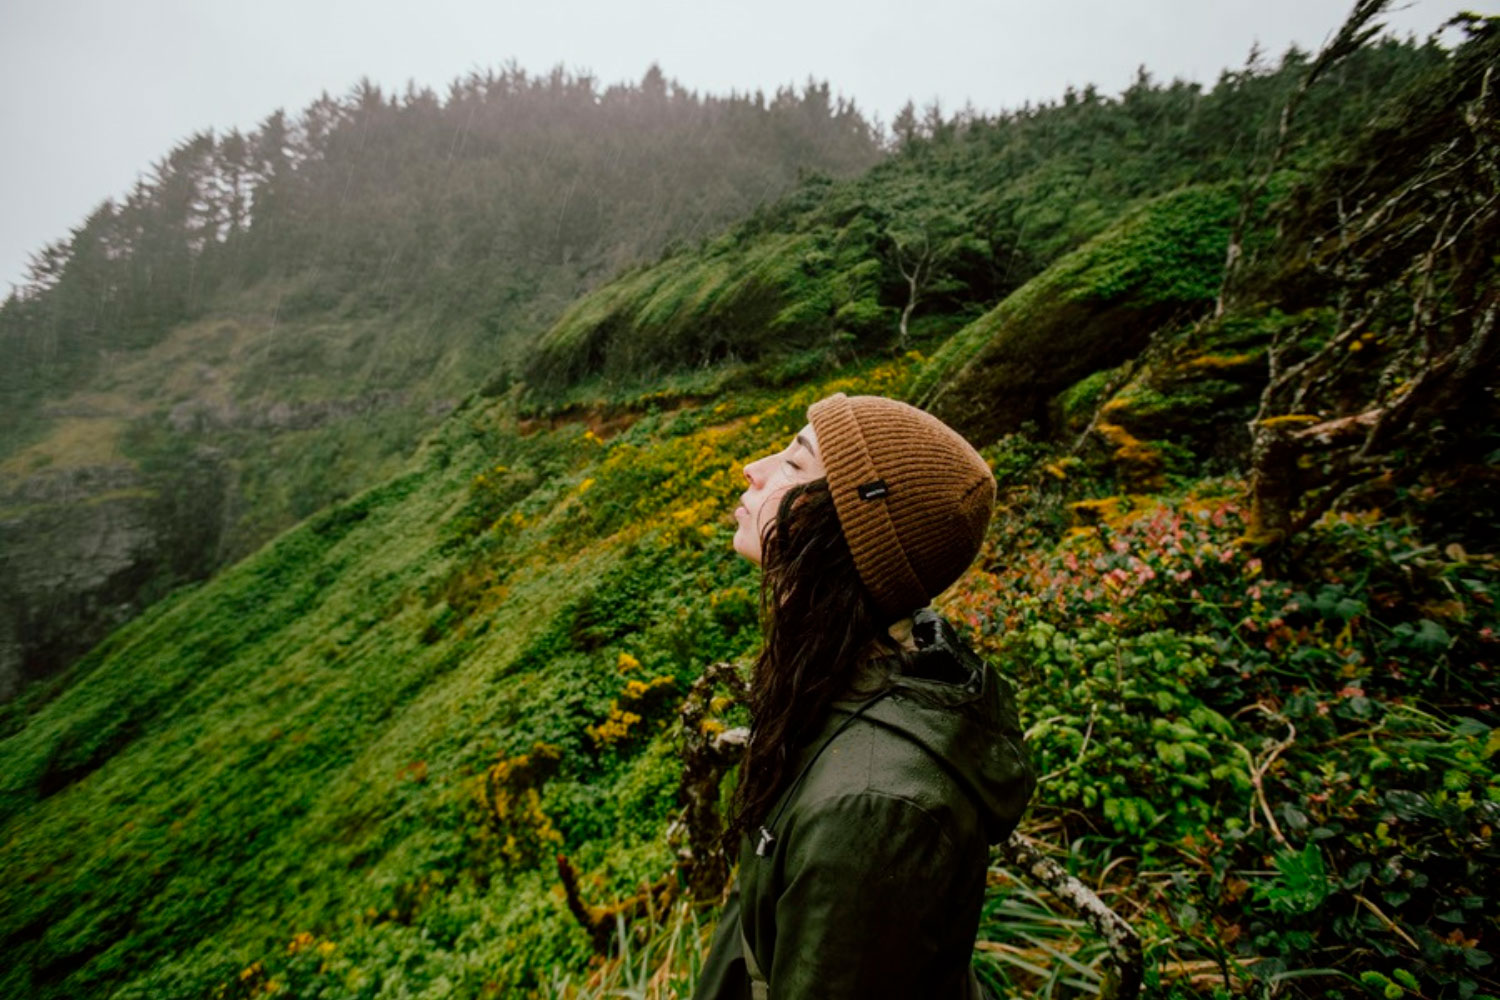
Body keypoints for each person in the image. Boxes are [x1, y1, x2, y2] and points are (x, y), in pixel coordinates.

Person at [692, 392, 1037, 1000]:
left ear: (848, 533)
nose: (754, 466)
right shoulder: (828, 678)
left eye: (795, 466)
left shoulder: (874, 808)